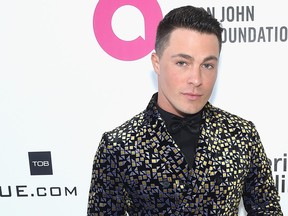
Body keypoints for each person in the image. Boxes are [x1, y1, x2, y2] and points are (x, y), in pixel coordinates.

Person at [87, 5, 283, 215]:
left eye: (207, 65)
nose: (196, 80)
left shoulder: (242, 134)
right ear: (157, 62)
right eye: (182, 63)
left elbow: (267, 210)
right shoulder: (118, 146)